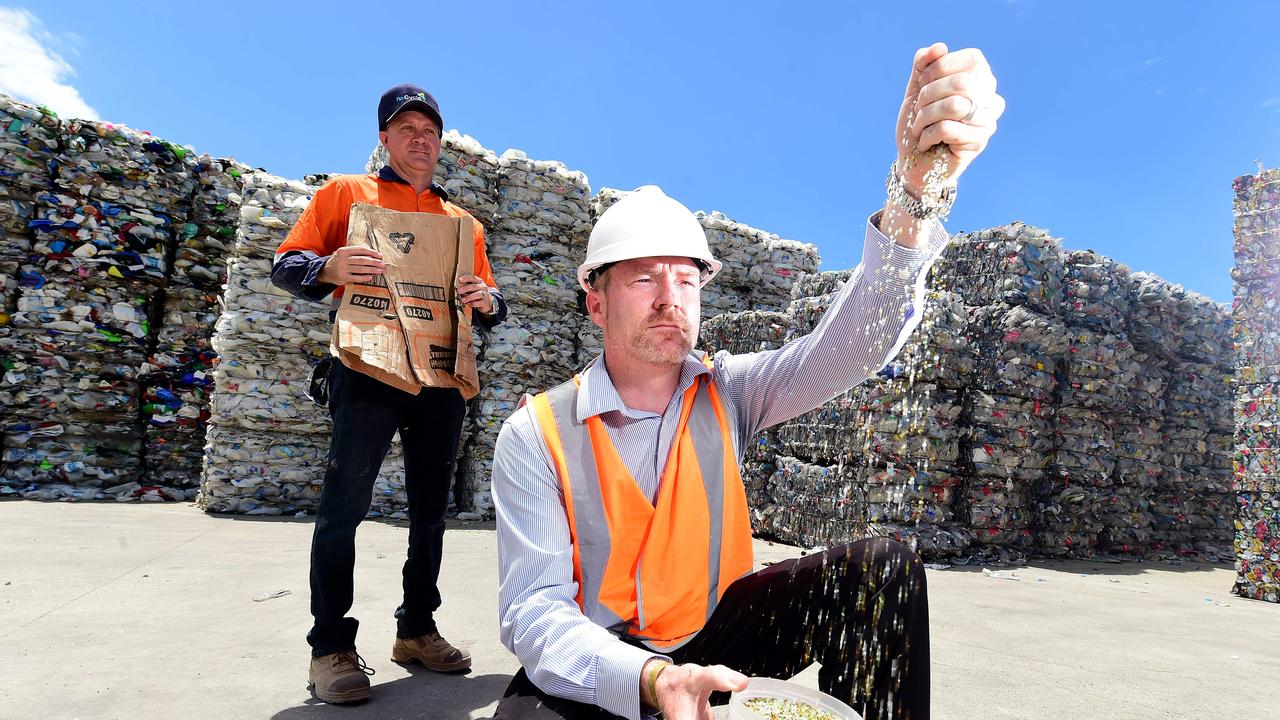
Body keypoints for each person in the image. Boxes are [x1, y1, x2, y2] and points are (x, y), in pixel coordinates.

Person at [491, 43, 1003, 720]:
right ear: (596, 301)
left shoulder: (729, 392)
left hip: (724, 638)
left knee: (882, 568)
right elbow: (534, 611)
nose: (671, 297)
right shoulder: (535, 434)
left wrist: (915, 196)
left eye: (686, 278)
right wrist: (651, 680)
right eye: (644, 276)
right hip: (609, 655)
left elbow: (855, 345)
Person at [271, 83, 508, 705]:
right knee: (343, 507)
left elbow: (489, 299)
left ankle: (417, 629)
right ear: (384, 138)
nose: (420, 140)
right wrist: (327, 268)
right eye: (406, 129)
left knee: (431, 511)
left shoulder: (462, 224)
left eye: (430, 132)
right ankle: (330, 647)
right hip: (368, 371)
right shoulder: (347, 196)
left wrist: (489, 303)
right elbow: (286, 262)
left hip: (439, 379)